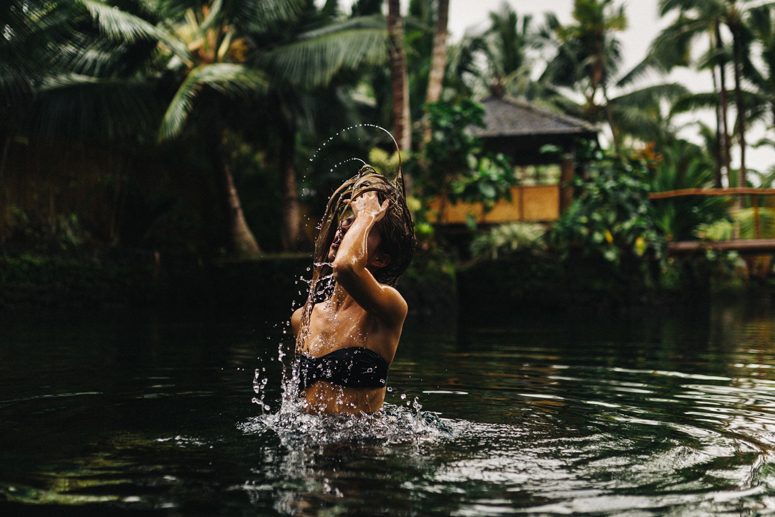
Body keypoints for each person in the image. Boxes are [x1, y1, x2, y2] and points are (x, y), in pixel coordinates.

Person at [291, 165, 416, 415]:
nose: (344, 230)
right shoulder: (303, 318)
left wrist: (367, 216)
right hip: (308, 450)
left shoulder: (388, 309)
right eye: (348, 222)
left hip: (363, 451)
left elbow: (346, 266)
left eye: (359, 228)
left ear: (380, 259)